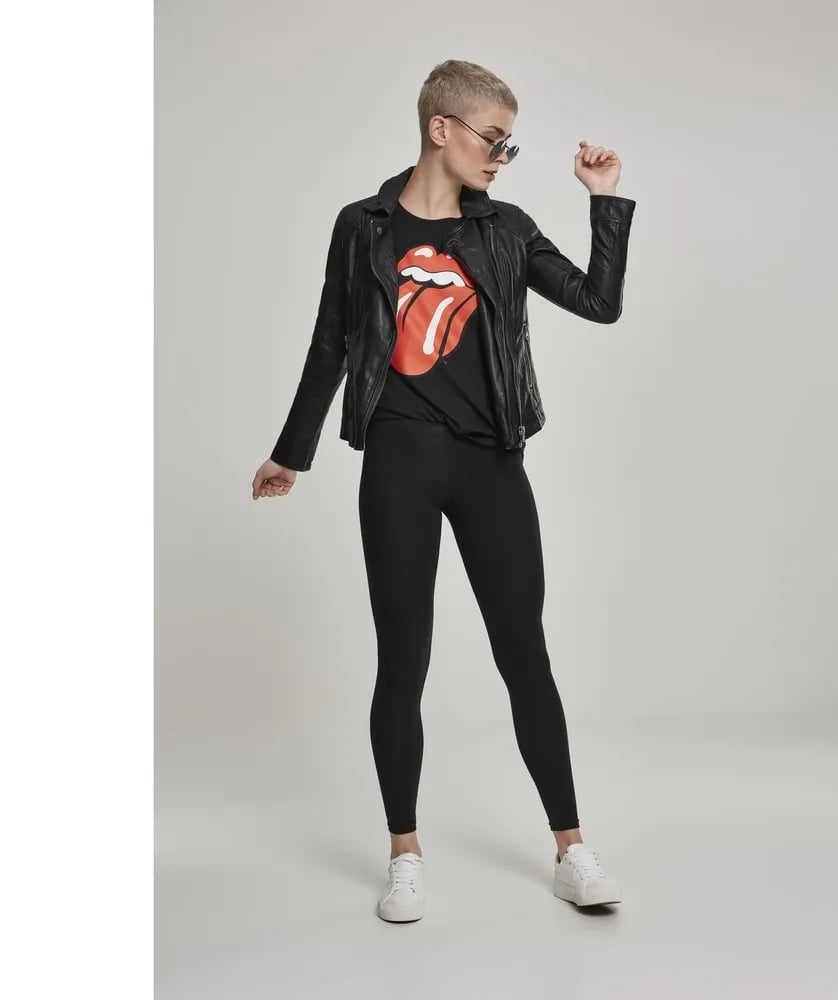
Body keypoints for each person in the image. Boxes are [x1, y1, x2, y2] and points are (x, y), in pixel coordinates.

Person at [251, 59, 636, 922]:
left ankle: (572, 849)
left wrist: (605, 200)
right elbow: (330, 342)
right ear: (441, 129)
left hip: (490, 461)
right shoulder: (363, 226)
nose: (502, 156)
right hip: (399, 460)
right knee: (404, 658)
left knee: (524, 655)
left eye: (509, 144)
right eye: (494, 139)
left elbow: (599, 303)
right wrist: (292, 453)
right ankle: (405, 854)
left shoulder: (505, 229)